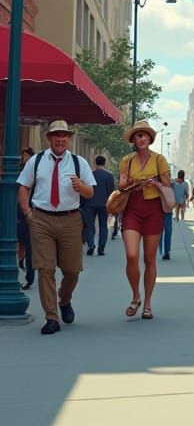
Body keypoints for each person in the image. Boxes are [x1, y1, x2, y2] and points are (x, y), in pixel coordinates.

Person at [16, 120, 96, 335]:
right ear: (49, 138)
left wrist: (82, 187)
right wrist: (28, 213)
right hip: (41, 219)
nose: (60, 139)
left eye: (64, 136)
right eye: (56, 136)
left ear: (69, 139)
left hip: (70, 219)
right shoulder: (37, 160)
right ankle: (51, 317)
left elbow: (91, 193)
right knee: (45, 269)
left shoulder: (79, 163)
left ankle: (65, 299)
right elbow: (23, 187)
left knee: (72, 270)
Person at [118, 121, 171, 321]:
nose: (142, 138)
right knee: (132, 255)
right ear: (133, 140)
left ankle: (147, 303)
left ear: (150, 139)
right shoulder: (127, 161)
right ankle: (136, 296)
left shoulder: (159, 159)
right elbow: (121, 185)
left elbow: (167, 183)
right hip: (132, 208)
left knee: (149, 259)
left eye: (145, 136)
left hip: (153, 210)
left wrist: (155, 183)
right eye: (138, 136)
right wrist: (132, 182)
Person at [81, 155, 114, 256]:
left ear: (95, 163)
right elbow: (111, 191)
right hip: (104, 204)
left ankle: (91, 244)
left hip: (89, 204)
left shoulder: (90, 174)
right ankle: (101, 248)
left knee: (89, 225)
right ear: (104, 163)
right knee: (103, 226)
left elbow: (85, 188)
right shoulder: (109, 176)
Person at [16, 146, 35, 289]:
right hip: (20, 210)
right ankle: (22, 260)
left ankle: (30, 276)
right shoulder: (19, 169)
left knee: (29, 244)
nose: (25, 158)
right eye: (23, 156)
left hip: (32, 211)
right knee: (20, 240)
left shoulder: (35, 170)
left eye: (27, 155)